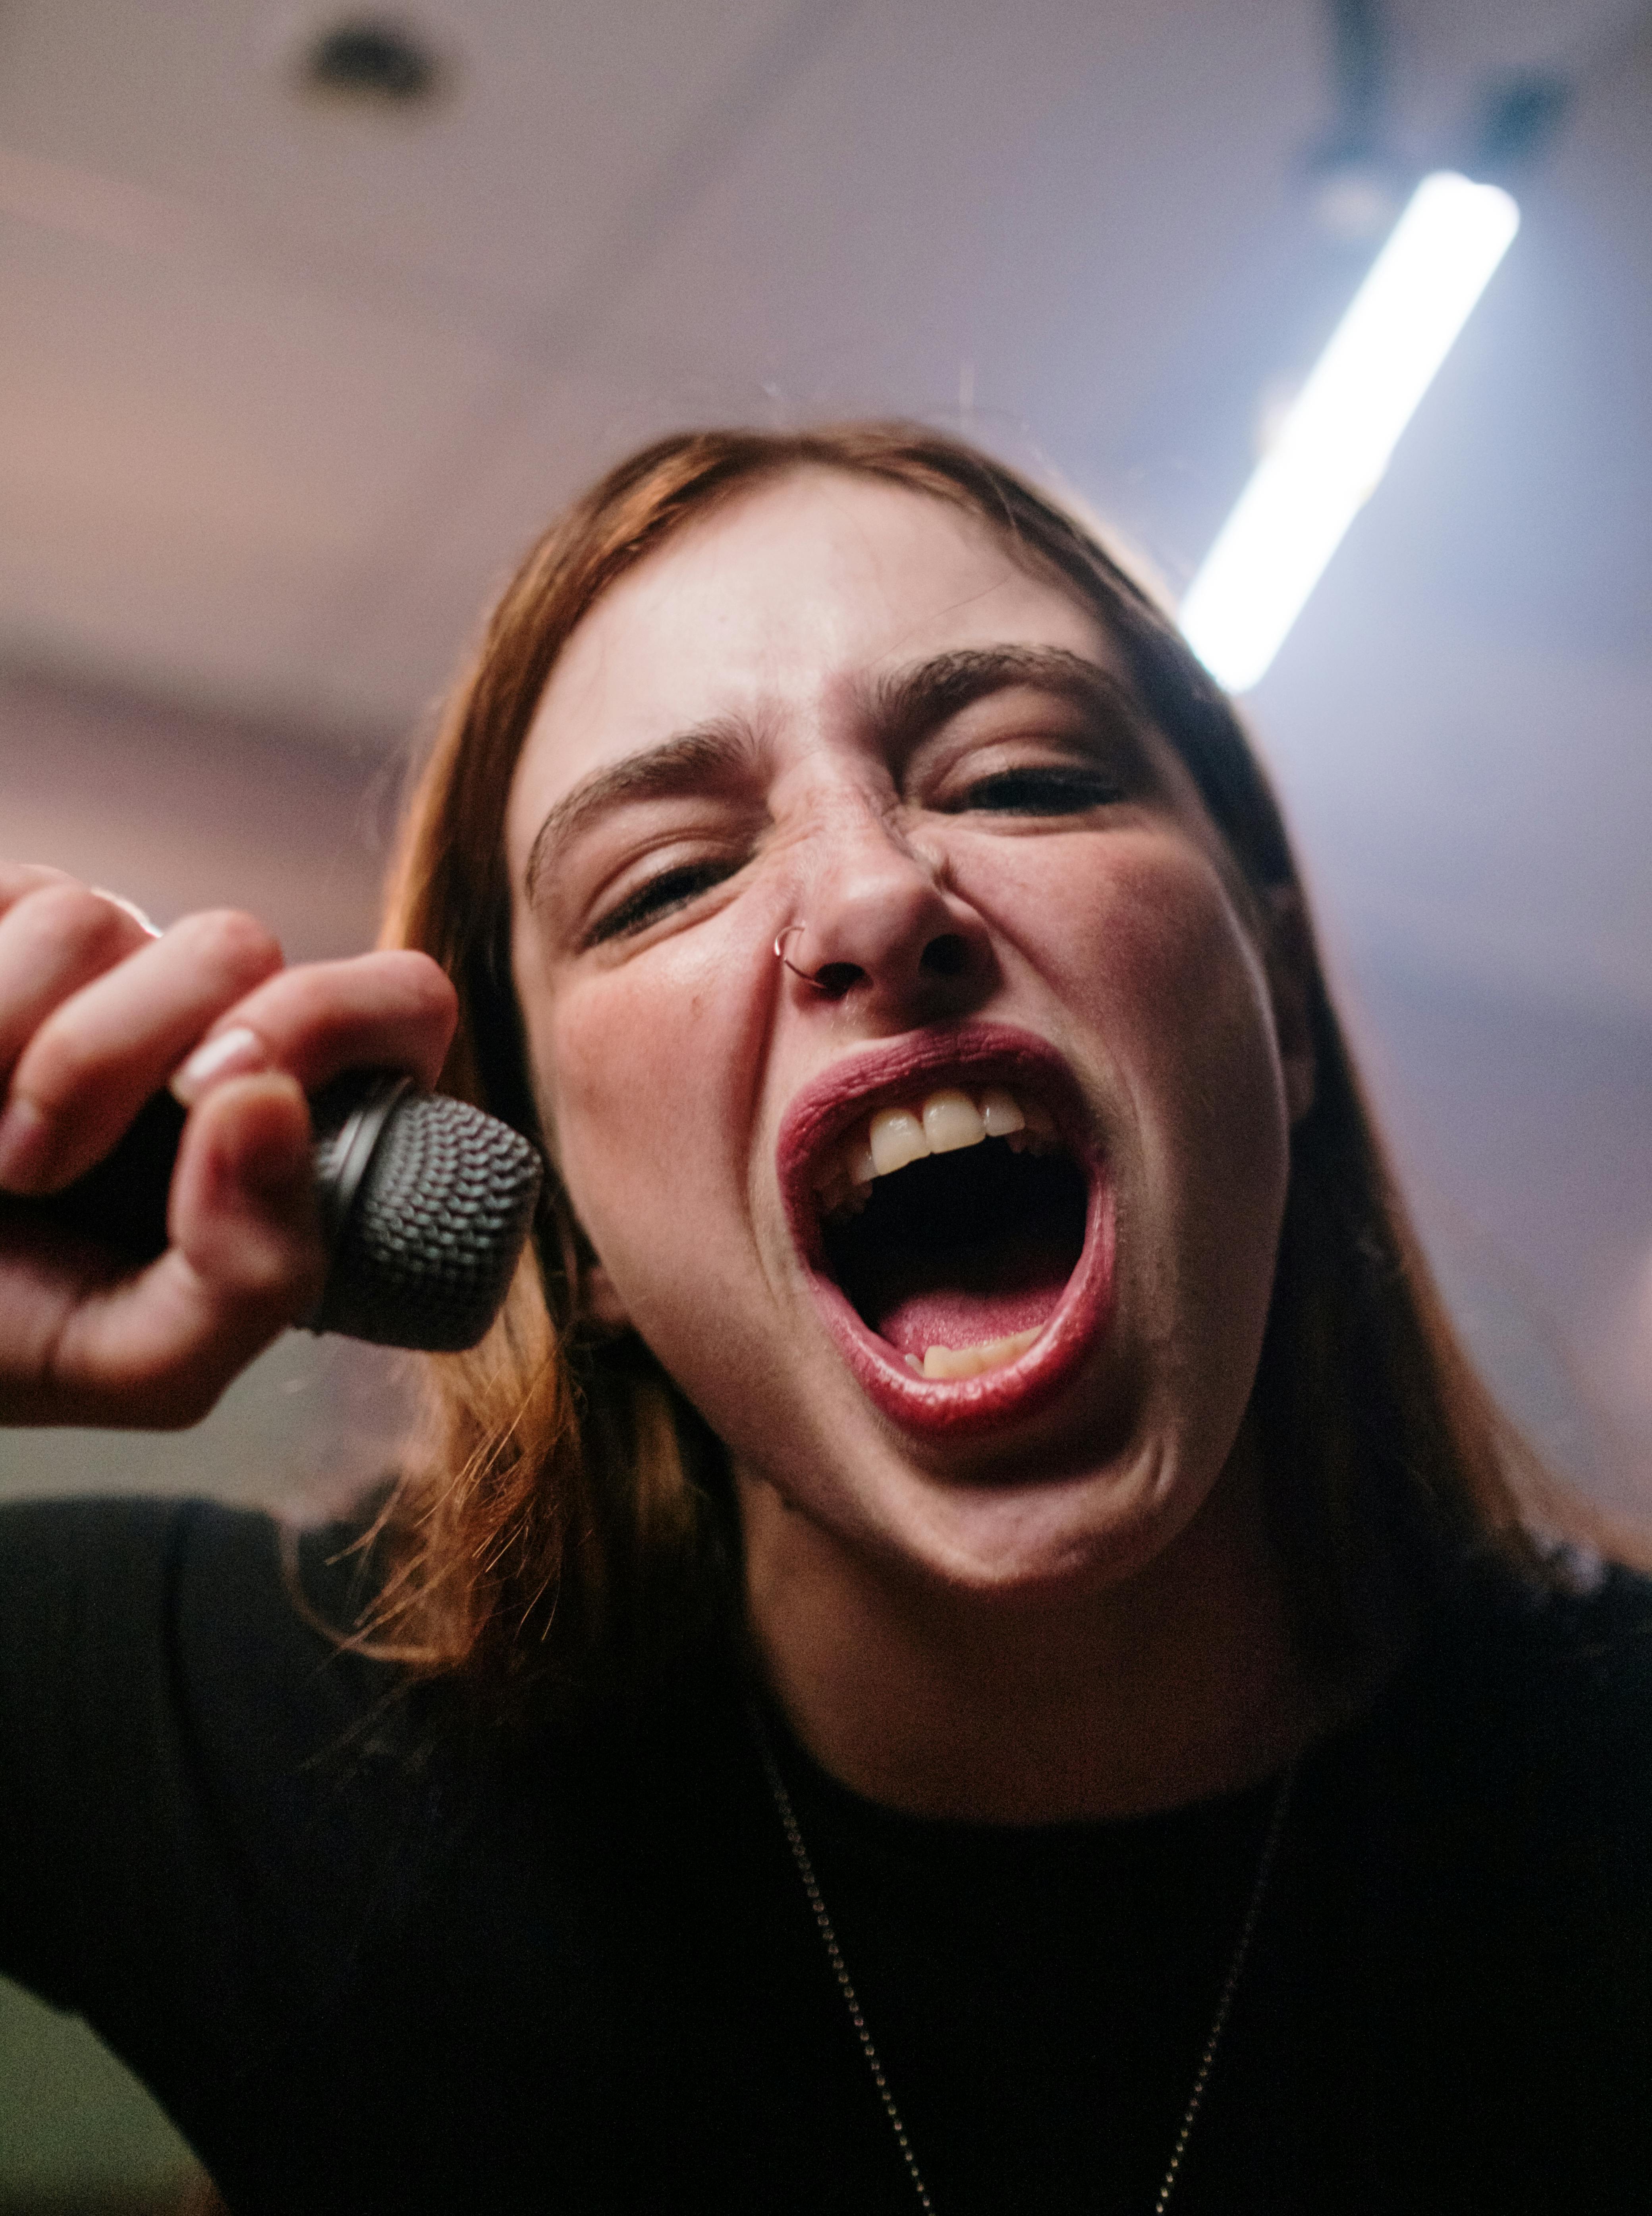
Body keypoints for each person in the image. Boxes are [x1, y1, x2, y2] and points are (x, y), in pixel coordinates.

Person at [0, 424, 1648, 2215]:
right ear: (573, 1220)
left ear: (1280, 1015)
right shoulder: (255, 1751)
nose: (874, 896)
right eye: (663, 881)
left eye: (1018, 779)